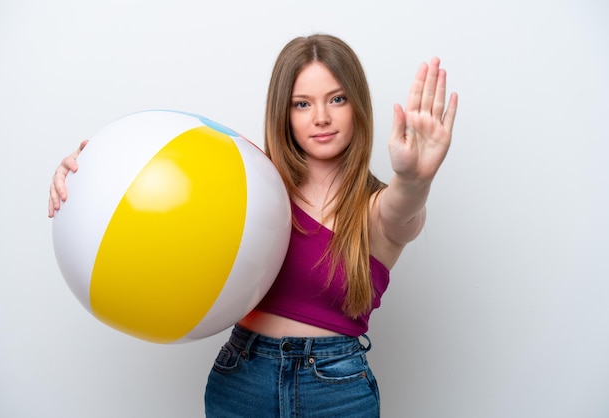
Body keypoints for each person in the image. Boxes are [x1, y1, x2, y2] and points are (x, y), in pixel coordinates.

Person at [48, 34, 457, 417]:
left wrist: (415, 178)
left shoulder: (375, 207)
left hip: (335, 389)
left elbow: (403, 210)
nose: (321, 117)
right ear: (284, 112)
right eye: (302, 104)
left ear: (358, 106)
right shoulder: (250, 184)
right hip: (241, 377)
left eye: (337, 99)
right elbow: (155, 187)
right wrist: (86, 170)